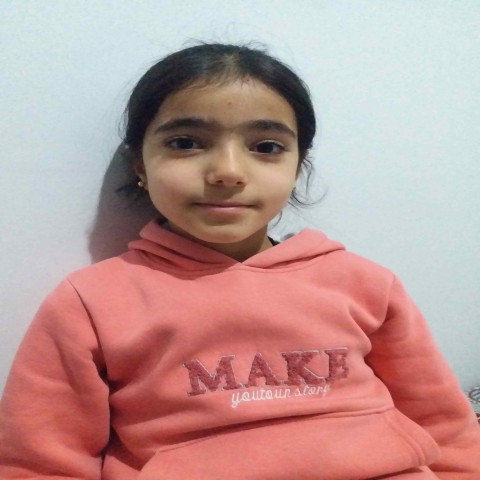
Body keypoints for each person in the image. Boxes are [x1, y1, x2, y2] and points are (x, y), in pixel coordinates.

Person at [0, 43, 479, 480]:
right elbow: (40, 462)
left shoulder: (364, 283)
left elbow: (448, 428)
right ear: (140, 165)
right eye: (185, 142)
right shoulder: (90, 302)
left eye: (266, 147)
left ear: (297, 167)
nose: (228, 172)